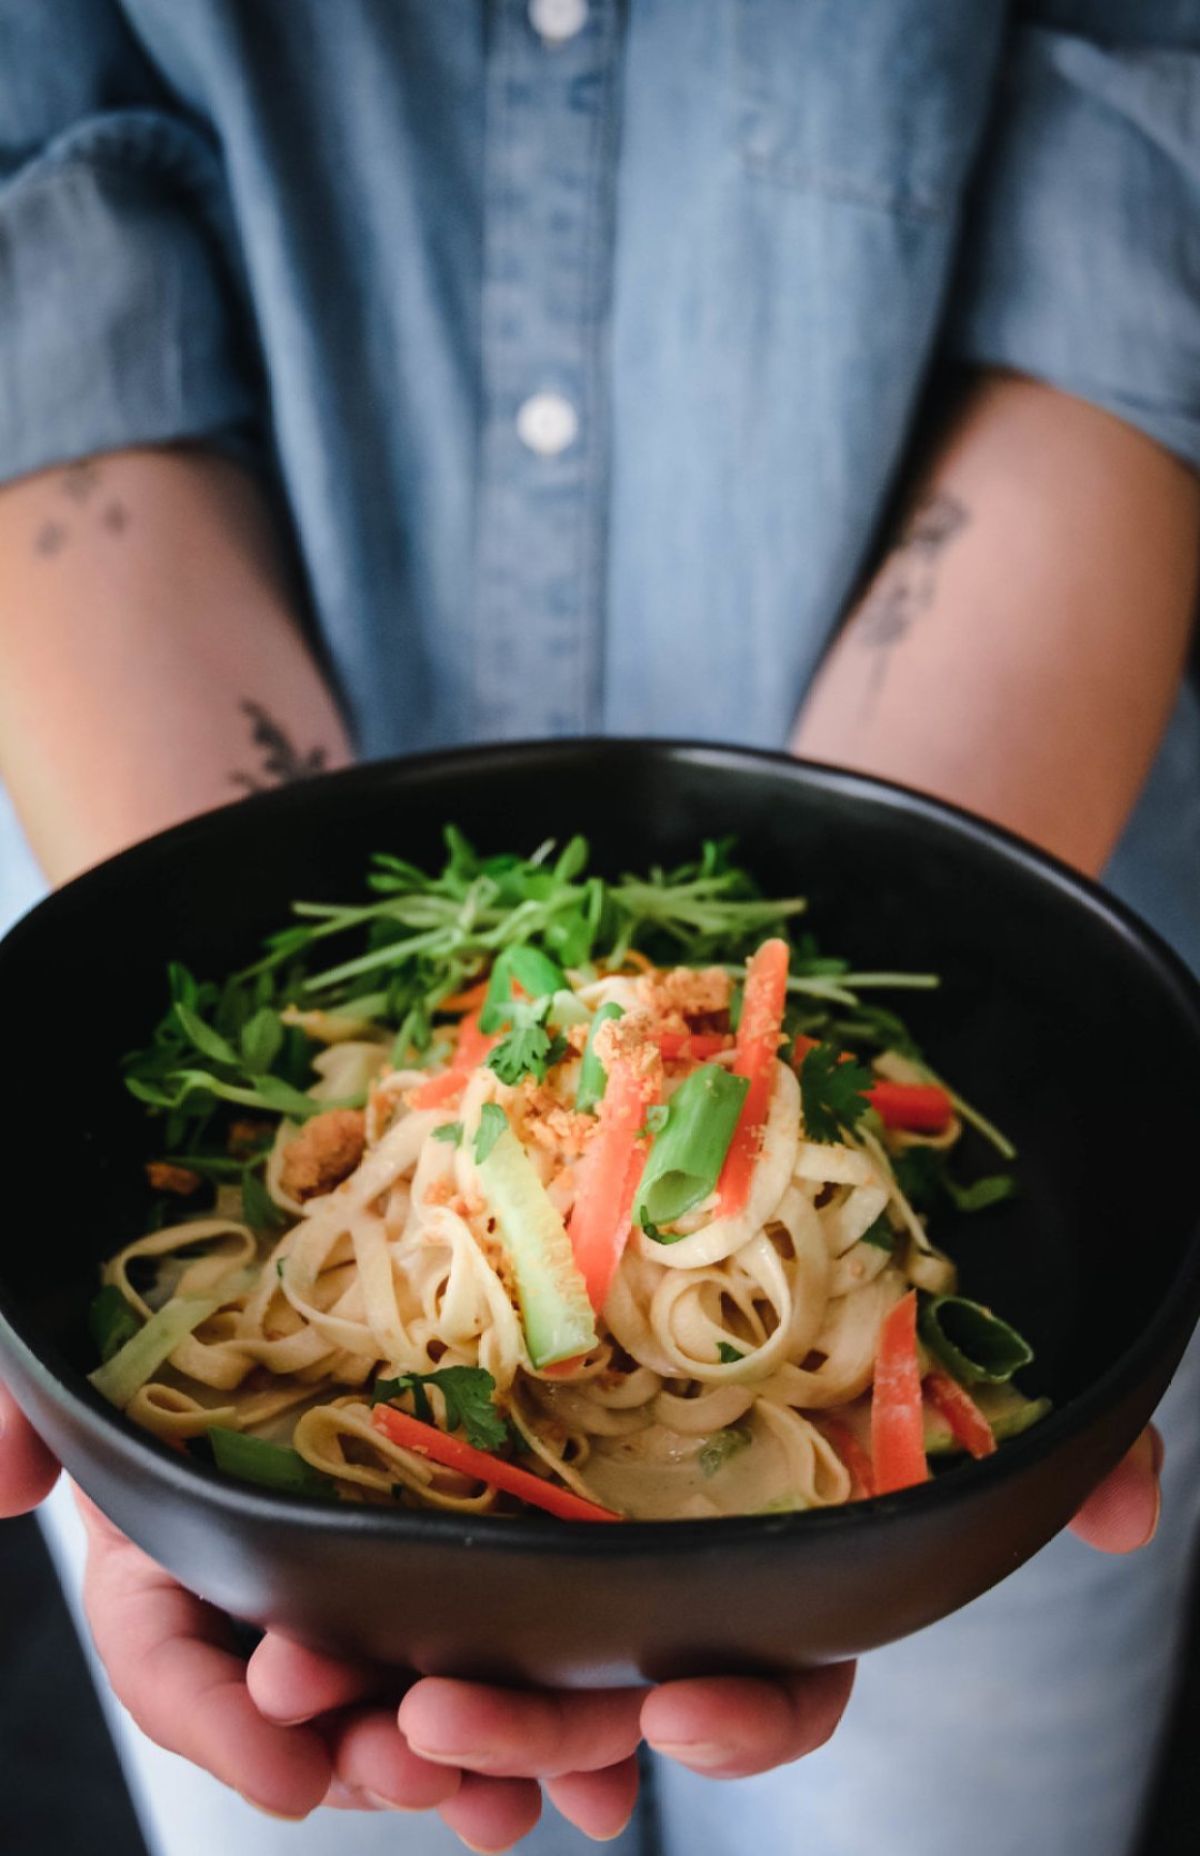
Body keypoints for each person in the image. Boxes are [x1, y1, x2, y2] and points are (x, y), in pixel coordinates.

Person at [0, 3, 1197, 1853]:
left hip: (1027, 780)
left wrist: (927, 904)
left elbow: (1144, 216)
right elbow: (44, 284)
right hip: (146, 767)